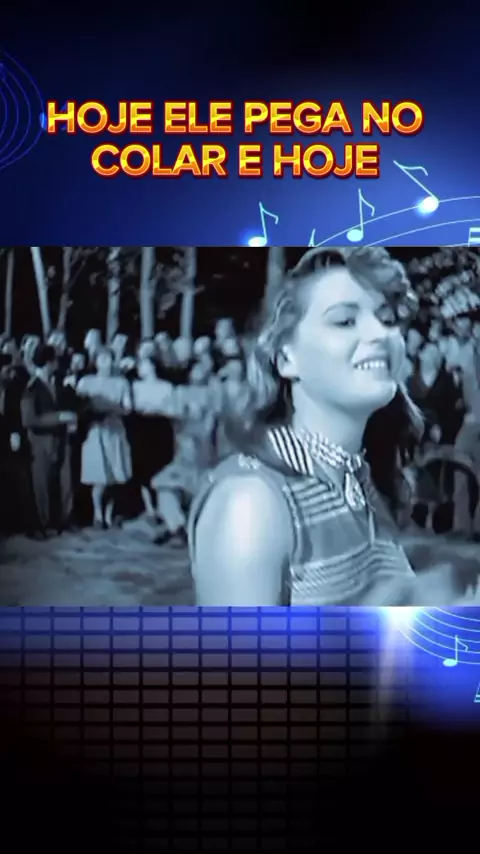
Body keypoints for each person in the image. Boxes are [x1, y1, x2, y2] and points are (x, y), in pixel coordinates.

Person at [188, 246, 480, 607]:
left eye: (388, 319)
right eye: (344, 321)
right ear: (286, 358)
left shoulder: (360, 480)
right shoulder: (251, 503)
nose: (380, 334)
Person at [20, 344, 77, 537]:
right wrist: (59, 417)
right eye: (55, 360)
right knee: (41, 485)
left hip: (59, 439)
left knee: (63, 482)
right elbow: (29, 419)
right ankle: (41, 524)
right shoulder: (32, 387)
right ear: (49, 362)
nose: (58, 363)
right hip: (40, 441)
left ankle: (63, 520)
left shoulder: (58, 384)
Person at [76, 347, 132, 529]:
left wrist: (112, 408)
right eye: (102, 359)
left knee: (114, 475)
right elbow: (79, 406)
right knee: (99, 475)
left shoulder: (121, 383)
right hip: (95, 431)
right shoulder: (86, 382)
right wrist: (92, 411)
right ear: (96, 361)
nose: (105, 363)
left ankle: (109, 514)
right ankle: (97, 514)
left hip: (114, 430)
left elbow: (127, 408)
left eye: (109, 359)